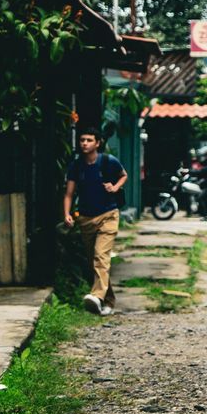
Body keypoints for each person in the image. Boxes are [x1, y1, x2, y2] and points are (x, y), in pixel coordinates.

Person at [63, 127, 127, 315]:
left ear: (97, 143)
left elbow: (124, 175)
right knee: (96, 262)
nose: (85, 143)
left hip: (108, 215)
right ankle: (107, 301)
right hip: (85, 218)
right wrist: (67, 213)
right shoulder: (76, 166)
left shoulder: (108, 161)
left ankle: (97, 296)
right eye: (82, 139)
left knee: (101, 256)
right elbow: (69, 193)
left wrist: (115, 187)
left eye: (89, 140)